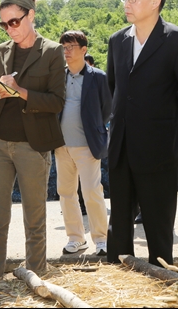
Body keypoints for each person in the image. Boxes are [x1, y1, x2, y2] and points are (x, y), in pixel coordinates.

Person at [106, 0, 178, 267]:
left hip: (158, 149)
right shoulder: (117, 41)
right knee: (118, 226)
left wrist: (165, 121)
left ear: (155, 1)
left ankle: (162, 283)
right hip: (121, 147)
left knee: (158, 228)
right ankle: (119, 279)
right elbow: (114, 88)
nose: (127, 3)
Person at [0, 0, 66, 284]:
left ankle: (37, 280)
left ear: (30, 15)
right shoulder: (0, 51)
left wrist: (20, 90)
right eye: (4, 24)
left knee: (35, 219)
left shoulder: (53, 51)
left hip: (33, 145)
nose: (9, 29)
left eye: (14, 22)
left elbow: (57, 102)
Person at [55, 30, 111, 256]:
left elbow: (107, 109)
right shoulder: (58, 76)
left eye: (71, 47)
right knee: (66, 193)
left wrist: (94, 130)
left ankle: (101, 240)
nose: (66, 52)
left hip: (87, 146)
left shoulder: (98, 77)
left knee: (92, 193)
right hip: (61, 147)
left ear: (84, 49)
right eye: (63, 48)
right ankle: (76, 238)